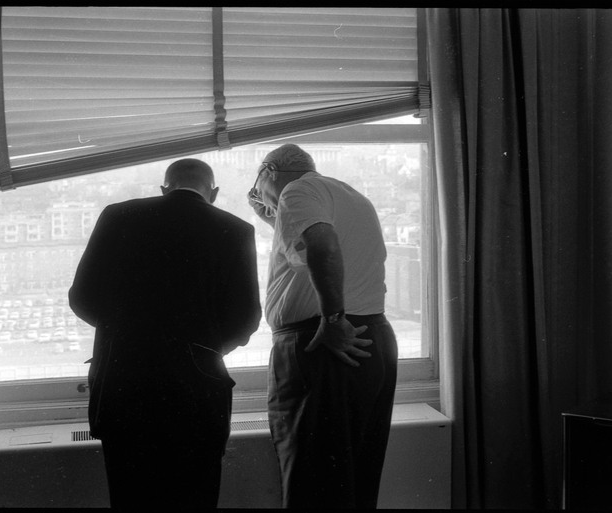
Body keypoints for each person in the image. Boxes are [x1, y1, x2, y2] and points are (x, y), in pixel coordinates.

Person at [69, 158, 262, 509]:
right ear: (214, 193)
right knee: (195, 495)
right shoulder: (236, 230)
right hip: (197, 391)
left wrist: (125, 334)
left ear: (164, 187)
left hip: (124, 385)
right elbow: (246, 318)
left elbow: (81, 297)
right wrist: (203, 349)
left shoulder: (117, 216)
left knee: (130, 495)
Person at [248, 144, 398, 509]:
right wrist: (273, 218)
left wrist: (332, 318)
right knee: (352, 478)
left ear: (268, 171)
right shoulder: (348, 194)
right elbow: (310, 255)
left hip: (324, 342)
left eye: (256, 187)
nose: (258, 196)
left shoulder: (295, 191)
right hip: (370, 337)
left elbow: (325, 247)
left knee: (312, 483)